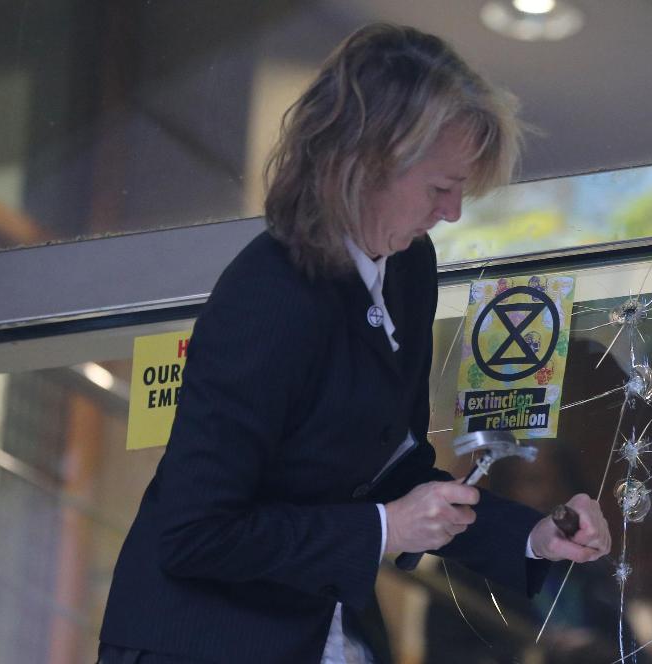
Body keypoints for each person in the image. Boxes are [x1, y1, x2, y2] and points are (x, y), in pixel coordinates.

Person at [98, 23, 610, 664]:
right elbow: (194, 532)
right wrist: (385, 528)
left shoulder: (408, 267)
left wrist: (532, 536)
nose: (451, 212)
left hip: (317, 627)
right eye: (439, 187)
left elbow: (396, 471)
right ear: (369, 164)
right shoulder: (268, 296)